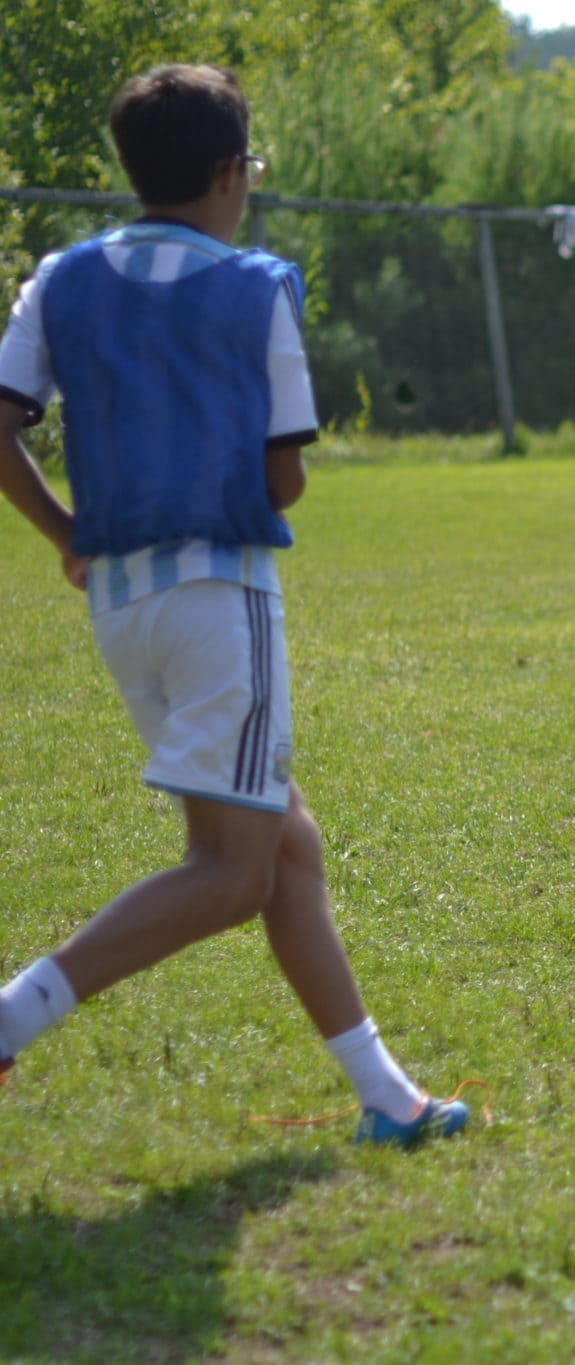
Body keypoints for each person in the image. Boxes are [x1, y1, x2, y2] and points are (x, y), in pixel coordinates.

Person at [0, 64, 468, 1147]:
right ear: (228, 173)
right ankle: (14, 1015)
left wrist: (69, 531)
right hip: (221, 598)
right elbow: (284, 477)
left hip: (122, 611)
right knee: (230, 872)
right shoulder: (257, 285)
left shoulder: (61, 278)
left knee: (284, 843)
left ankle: (388, 1098)